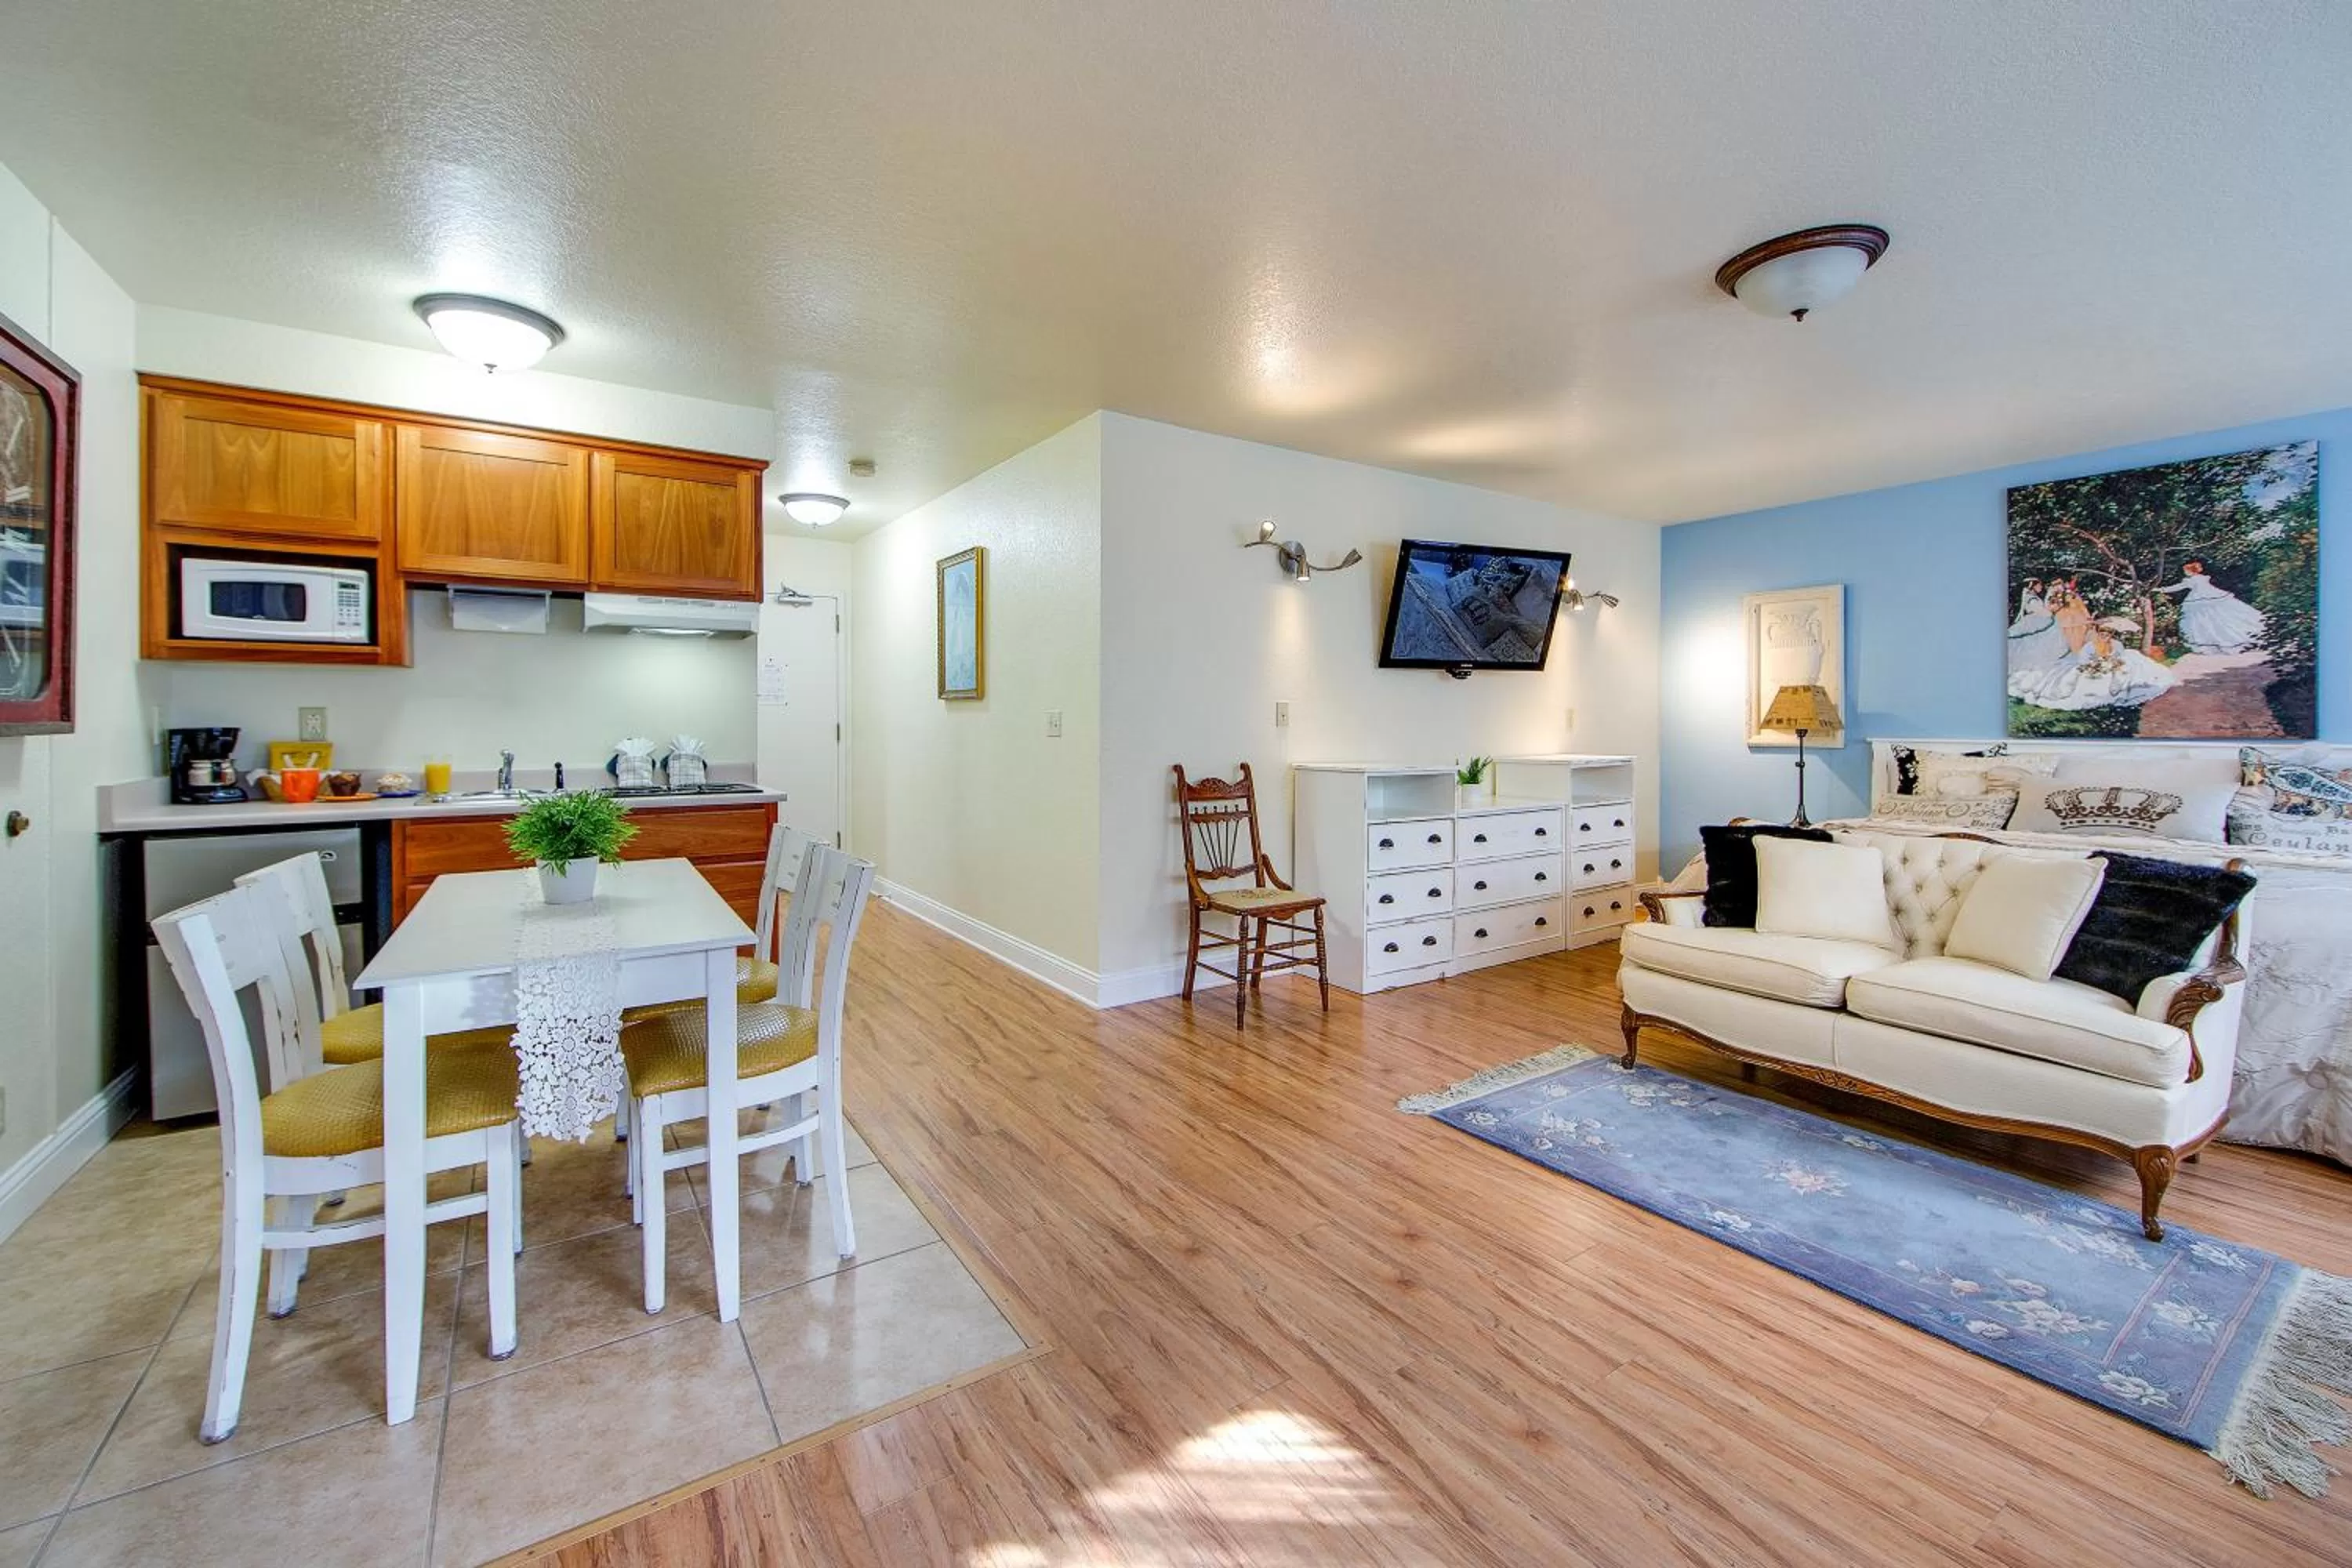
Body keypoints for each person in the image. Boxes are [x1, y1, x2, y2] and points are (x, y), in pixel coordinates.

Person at [2010, 620, 2177, 710]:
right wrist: (2095, 663)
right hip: (2095, 664)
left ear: (2111, 635)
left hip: (2110, 663)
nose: (2105, 636)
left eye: (2108, 634)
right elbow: (2083, 659)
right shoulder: (2090, 646)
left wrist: (2112, 661)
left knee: (2129, 664)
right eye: (2102, 633)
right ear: (2098, 634)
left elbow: (2118, 655)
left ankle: (2120, 688)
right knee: (2076, 676)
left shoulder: (2116, 644)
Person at [2156, 560, 2267, 655]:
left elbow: (2177, 587)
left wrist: (2161, 590)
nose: (2185, 573)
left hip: (2202, 598)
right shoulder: (2203, 578)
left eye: (2186, 571)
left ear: (2191, 571)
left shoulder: (2192, 580)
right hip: (2210, 595)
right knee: (2212, 618)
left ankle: (2210, 641)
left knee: (2201, 619)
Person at [2005, 578, 2070, 675]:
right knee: (2035, 641)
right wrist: (2053, 609)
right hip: (2035, 621)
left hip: (2039, 619)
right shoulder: (2031, 598)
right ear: (2033, 585)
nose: (2041, 587)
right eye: (2039, 585)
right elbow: (2042, 611)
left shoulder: (2033, 596)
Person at [2051, 580, 2092, 654]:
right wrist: (2059, 604)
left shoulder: (2073, 595)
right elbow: (2052, 609)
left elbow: (2082, 607)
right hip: (2065, 624)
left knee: (2082, 641)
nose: (2058, 587)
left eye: (2059, 584)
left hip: (2079, 622)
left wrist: (2088, 618)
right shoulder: (2054, 598)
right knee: (2072, 643)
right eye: (2055, 586)